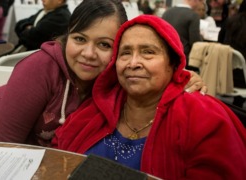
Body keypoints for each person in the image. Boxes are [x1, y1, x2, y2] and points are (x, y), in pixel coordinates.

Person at [0, 0, 206, 147]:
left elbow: (152, 79)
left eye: (104, 45)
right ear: (67, 36)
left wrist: (183, 79)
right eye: (79, 38)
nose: (88, 53)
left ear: (117, 49)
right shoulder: (40, 68)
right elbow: (3, 148)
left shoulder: (116, 77)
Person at [53, 15, 246, 179]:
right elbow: (57, 157)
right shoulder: (99, 107)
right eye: (125, 53)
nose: (133, 63)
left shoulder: (204, 118)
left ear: (173, 63)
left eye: (148, 52)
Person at [218, 0, 246, 108]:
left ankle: (237, 103)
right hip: (243, 79)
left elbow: (219, 44)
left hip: (226, 75)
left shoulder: (230, 21)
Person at [162, 0, 202, 69]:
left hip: (165, 55)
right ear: (195, 1)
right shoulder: (193, 15)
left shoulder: (167, 12)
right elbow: (195, 42)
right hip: (183, 58)